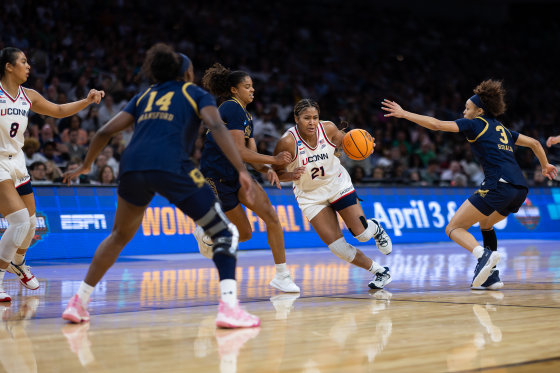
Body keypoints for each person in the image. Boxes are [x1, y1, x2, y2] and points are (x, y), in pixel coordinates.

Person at [61, 43, 260, 328]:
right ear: (187, 72)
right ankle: (229, 307)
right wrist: (241, 168)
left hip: (132, 166)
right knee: (225, 232)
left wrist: (86, 165)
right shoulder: (194, 93)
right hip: (170, 165)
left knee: (118, 235)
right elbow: (217, 128)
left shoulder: (145, 96)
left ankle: (78, 302)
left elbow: (105, 130)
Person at [382, 79, 558, 289]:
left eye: (467, 108)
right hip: (519, 189)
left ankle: (482, 255)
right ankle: (491, 277)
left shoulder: (475, 123)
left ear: (480, 111)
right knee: (486, 224)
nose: (464, 112)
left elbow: (437, 125)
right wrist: (545, 164)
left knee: (453, 227)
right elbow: (535, 143)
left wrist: (404, 114)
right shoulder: (503, 129)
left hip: (498, 185)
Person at [0, 47, 104, 302]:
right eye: (23, 62)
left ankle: (19, 263)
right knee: (20, 221)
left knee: (32, 224)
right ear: (8, 66)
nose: (28, 66)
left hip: (18, 162)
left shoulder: (28, 95)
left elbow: (58, 110)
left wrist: (87, 100)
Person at [194, 63, 300, 293]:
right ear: (234, 90)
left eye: (253, 86)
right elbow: (239, 151)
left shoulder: (246, 116)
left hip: (238, 174)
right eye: (247, 86)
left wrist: (274, 170)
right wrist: (275, 160)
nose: (252, 90)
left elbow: (252, 159)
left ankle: (282, 276)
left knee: (268, 219)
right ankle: (208, 236)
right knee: (243, 234)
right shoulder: (231, 108)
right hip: (217, 176)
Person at [273, 99, 393, 290]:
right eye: (306, 118)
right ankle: (380, 271)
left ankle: (375, 228)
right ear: (296, 119)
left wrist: (367, 144)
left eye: (315, 117)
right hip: (310, 195)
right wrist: (290, 175)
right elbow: (277, 172)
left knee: (362, 235)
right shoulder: (287, 142)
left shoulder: (328, 129)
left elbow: (349, 142)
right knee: (338, 248)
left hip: (337, 184)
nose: (312, 122)